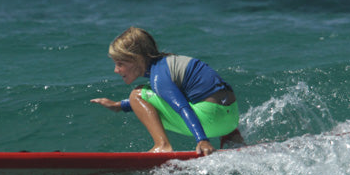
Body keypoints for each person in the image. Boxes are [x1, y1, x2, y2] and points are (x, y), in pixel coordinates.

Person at [91, 27, 245, 156]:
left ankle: (162, 145)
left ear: (136, 59)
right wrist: (120, 106)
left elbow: (182, 107)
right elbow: (166, 98)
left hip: (211, 121)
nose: (116, 70)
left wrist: (202, 140)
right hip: (231, 120)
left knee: (136, 94)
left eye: (120, 63)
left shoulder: (159, 77)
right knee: (195, 94)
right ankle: (233, 138)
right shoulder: (168, 64)